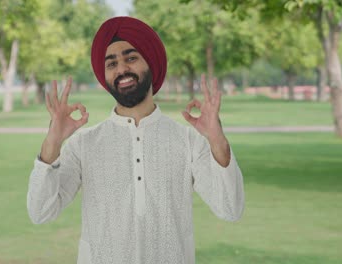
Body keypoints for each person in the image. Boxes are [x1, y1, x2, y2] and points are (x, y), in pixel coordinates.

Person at [27, 16, 244, 264]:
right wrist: (52, 145)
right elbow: (40, 212)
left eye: (131, 58)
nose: (121, 70)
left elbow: (230, 209)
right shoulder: (84, 144)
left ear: (150, 62)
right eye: (112, 64)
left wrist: (217, 141)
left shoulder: (188, 141)